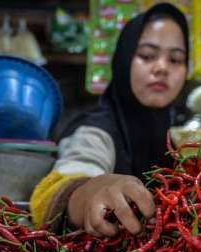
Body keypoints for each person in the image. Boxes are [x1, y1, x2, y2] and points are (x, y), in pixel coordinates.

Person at [30, 3, 189, 237]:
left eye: (175, 60)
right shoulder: (96, 131)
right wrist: (91, 191)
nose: (162, 67)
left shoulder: (175, 138)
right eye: (147, 55)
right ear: (124, 60)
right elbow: (62, 184)